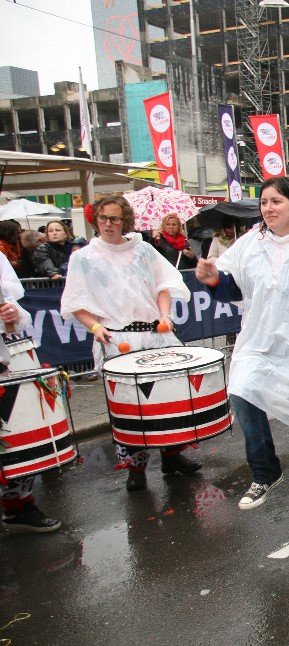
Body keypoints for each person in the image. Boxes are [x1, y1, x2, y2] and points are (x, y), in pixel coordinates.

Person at [194, 178, 289, 531]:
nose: (268, 208)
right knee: (241, 390)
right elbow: (232, 287)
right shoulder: (251, 243)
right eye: (264, 202)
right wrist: (213, 279)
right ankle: (265, 471)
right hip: (260, 341)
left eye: (276, 201)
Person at [60, 194, 199, 491]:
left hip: (155, 334)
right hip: (116, 339)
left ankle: (172, 457)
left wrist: (165, 314)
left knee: (166, 399)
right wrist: (96, 327)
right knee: (129, 408)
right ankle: (136, 468)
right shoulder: (84, 258)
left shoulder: (143, 249)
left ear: (125, 221)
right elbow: (75, 303)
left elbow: (163, 285)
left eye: (114, 218)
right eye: (103, 218)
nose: (108, 224)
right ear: (95, 220)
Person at [0, 256, 62, 532]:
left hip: (6, 362)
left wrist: (14, 314)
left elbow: (17, 309)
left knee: (17, 436)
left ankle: (17, 507)